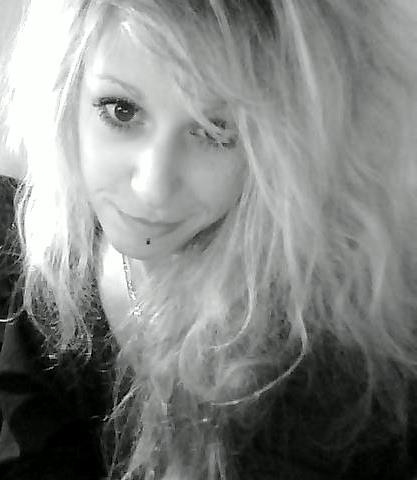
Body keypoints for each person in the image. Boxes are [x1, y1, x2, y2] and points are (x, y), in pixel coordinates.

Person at [1, 0, 417, 478]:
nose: (152, 188)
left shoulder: (318, 359)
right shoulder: (65, 249)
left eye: (216, 130)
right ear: (67, 89)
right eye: (121, 111)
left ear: (284, 149)